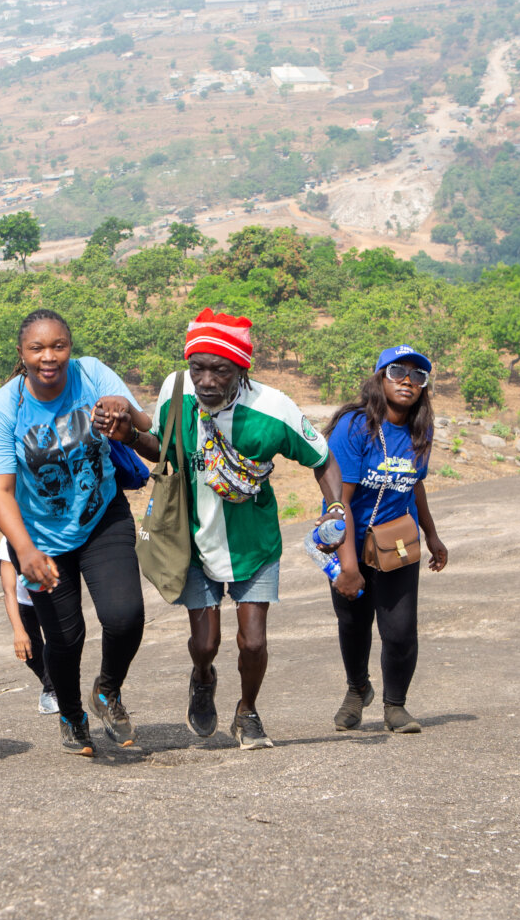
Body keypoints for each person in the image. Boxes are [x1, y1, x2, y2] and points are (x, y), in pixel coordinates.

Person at [98, 308, 346, 750]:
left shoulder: (273, 408)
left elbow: (322, 459)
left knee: (253, 642)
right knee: (205, 642)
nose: (207, 381)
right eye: (199, 368)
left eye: (221, 371)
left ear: (242, 370)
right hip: (192, 540)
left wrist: (334, 508)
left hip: (254, 543)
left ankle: (247, 711)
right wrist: (129, 436)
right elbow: (163, 448)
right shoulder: (177, 390)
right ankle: (202, 677)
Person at [0, 309, 148, 757]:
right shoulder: (5, 407)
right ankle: (72, 715)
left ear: (70, 348)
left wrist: (123, 406)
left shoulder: (90, 374)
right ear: (21, 354)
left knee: (126, 616)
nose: (49, 357)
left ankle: (107, 691)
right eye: (37, 348)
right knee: (65, 639)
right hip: (40, 538)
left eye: (58, 346)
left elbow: (145, 425)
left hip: (101, 515)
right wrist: (24, 549)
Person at [323, 345, 449, 734]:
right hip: (348, 539)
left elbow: (415, 484)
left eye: (418, 375)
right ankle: (357, 690)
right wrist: (348, 566)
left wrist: (432, 535)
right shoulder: (354, 426)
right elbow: (340, 501)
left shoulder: (421, 430)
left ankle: (396, 706)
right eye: (398, 372)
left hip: (395, 544)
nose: (408, 381)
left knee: (400, 631)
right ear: (380, 378)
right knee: (354, 623)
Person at [0, 536, 59, 714]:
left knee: (60, 644)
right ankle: (51, 688)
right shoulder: (8, 540)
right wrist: (18, 631)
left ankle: (56, 688)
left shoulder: (47, 532)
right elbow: (8, 590)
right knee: (29, 651)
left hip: (50, 597)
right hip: (24, 604)